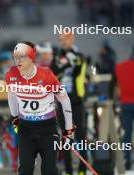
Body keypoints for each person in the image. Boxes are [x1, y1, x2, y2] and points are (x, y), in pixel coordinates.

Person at [6, 41, 75, 175]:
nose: (18, 60)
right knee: (25, 170)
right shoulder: (12, 75)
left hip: (47, 129)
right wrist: (15, 119)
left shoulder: (46, 75)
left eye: (22, 56)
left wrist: (69, 129)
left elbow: (64, 99)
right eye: (16, 57)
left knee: (49, 170)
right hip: (25, 128)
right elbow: (11, 97)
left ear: (31, 57)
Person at [50, 32, 87, 175]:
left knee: (80, 136)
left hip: (76, 102)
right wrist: (65, 65)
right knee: (65, 138)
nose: (63, 42)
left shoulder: (79, 56)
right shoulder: (58, 56)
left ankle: (82, 170)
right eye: (61, 40)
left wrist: (66, 65)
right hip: (62, 101)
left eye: (66, 39)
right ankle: (69, 171)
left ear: (72, 39)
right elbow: (53, 73)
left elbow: (78, 72)